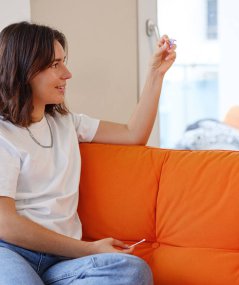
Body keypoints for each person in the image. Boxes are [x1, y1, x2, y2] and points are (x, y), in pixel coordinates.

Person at [0, 21, 176, 284]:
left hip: (62, 262)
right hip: (11, 253)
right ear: (24, 69)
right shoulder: (4, 135)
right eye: (55, 64)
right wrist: (89, 249)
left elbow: (134, 134)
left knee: (132, 270)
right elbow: (6, 224)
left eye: (64, 61)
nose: (67, 74)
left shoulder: (67, 123)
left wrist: (155, 74)